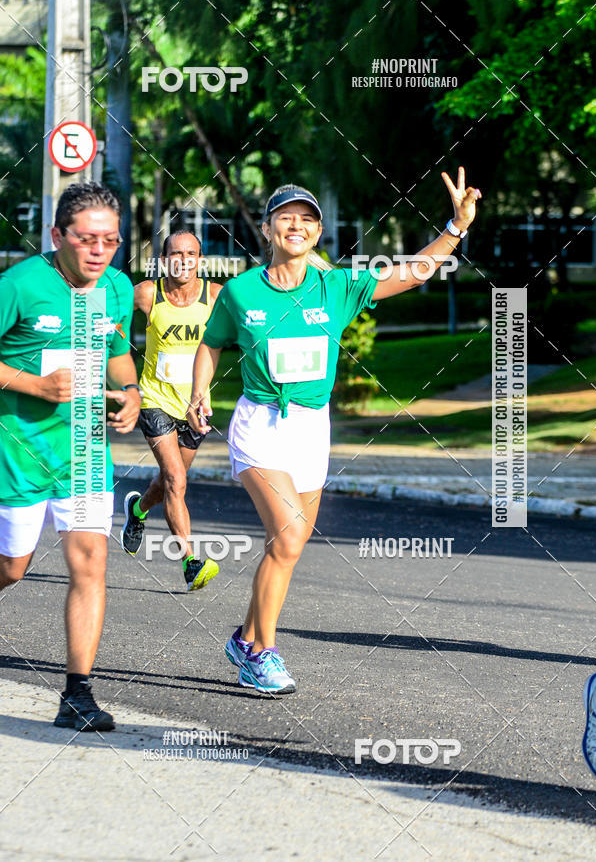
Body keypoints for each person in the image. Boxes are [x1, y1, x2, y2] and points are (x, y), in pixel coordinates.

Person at [187, 170, 481, 695]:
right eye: (285, 218)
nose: (295, 226)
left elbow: (412, 274)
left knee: (289, 546)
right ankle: (261, 654)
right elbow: (211, 343)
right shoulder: (239, 292)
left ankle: (244, 636)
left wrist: (456, 227)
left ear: (317, 233)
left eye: (306, 219)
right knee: (290, 534)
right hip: (260, 426)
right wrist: (199, 391)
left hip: (311, 430)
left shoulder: (337, 286)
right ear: (268, 228)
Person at [0, 181, 140, 729]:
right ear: (58, 235)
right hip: (19, 451)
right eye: (86, 240)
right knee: (12, 568)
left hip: (83, 452)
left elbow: (119, 357)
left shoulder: (117, 290)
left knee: (90, 564)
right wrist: (33, 386)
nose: (99, 251)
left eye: (110, 240)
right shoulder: (19, 284)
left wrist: (129, 396)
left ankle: (77, 697)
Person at [120, 230, 221, 591]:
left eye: (191, 254)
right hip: (155, 400)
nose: (183, 260)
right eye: (175, 254)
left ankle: (137, 510)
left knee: (167, 483)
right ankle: (191, 563)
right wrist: (120, 361)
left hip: (196, 406)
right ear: (163, 261)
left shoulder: (214, 296)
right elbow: (112, 316)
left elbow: (245, 332)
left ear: (200, 260)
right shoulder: (149, 293)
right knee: (177, 480)